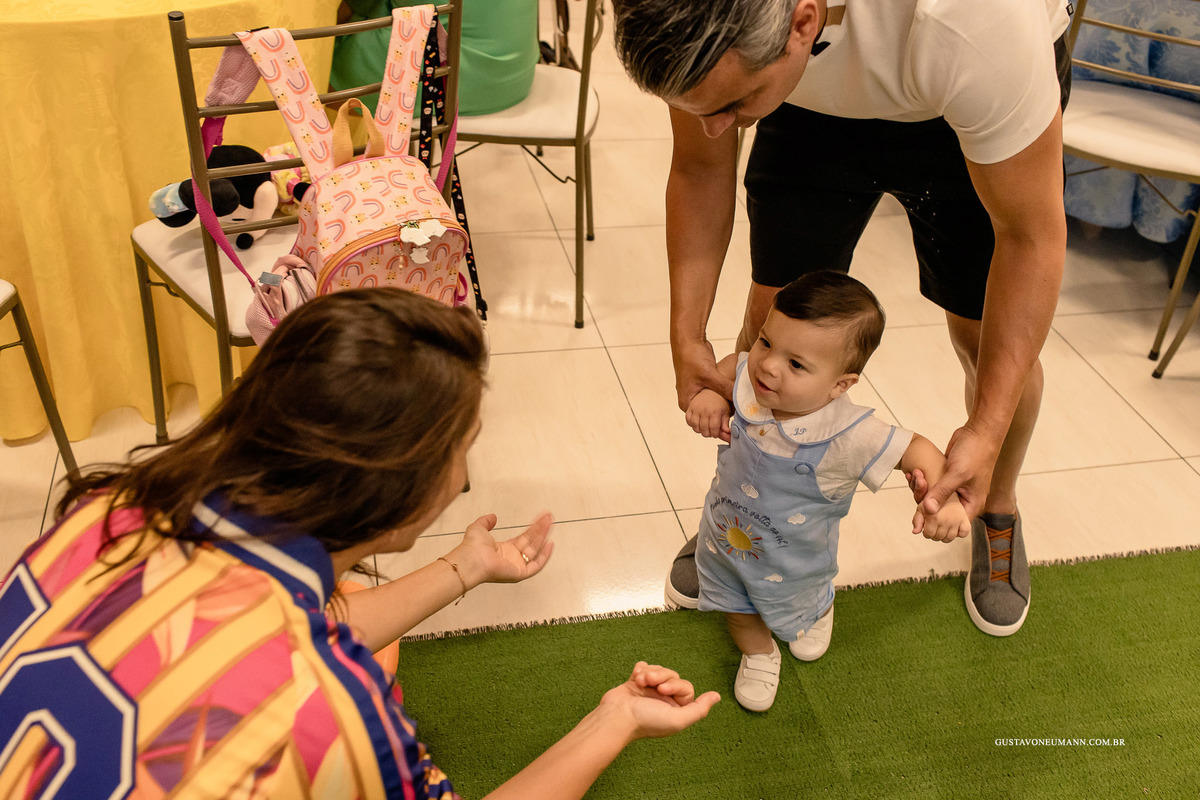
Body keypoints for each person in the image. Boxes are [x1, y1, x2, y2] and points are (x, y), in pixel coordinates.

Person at [0, 289, 718, 799]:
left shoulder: (110, 509)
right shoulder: (329, 713)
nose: (467, 475)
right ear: (397, 493)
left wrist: (465, 566)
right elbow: (303, 664)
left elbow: (274, 628)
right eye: (463, 450)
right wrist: (614, 719)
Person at [611, 0, 1074, 637]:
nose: (719, 129)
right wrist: (686, 337)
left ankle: (994, 505)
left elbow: (1032, 236)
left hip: (951, 98)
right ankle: (746, 513)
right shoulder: (704, 17)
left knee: (984, 338)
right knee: (776, 322)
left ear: (803, 23)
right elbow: (698, 164)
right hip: (810, 107)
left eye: (733, 107)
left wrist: (986, 428)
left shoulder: (977, 21)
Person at [685, 271, 969, 711]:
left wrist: (943, 498)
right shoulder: (748, 379)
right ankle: (759, 653)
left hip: (798, 560)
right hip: (725, 541)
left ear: (841, 385)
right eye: (765, 342)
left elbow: (917, 449)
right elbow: (728, 368)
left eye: (796, 364)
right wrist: (711, 397)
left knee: (803, 598)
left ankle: (818, 609)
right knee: (736, 608)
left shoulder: (849, 434)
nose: (768, 365)